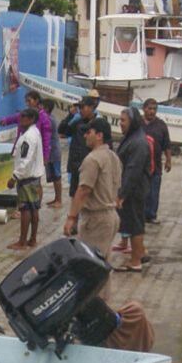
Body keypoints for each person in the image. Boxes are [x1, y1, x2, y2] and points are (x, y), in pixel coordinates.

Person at [64, 117, 122, 279]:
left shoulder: (93, 159)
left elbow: (83, 190)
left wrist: (71, 218)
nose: (85, 136)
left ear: (99, 135)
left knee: (91, 267)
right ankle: (102, 300)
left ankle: (94, 302)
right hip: (111, 215)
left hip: (97, 218)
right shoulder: (113, 156)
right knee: (102, 263)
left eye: (89, 132)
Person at [0, 94, 61, 209]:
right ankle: (26, 206)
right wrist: (5, 121)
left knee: (35, 181)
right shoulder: (26, 115)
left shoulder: (42, 118)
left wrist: (45, 156)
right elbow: (15, 118)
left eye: (29, 100)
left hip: (35, 154)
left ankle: (36, 205)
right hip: (25, 151)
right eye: (26, 101)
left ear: (37, 100)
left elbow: (46, 139)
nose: (27, 103)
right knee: (23, 182)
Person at [113, 107, 152, 271]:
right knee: (133, 222)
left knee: (135, 224)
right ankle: (140, 253)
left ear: (132, 122)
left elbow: (133, 170)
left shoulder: (138, 142)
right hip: (132, 189)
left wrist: (122, 194)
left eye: (123, 121)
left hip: (134, 190)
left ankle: (135, 261)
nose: (120, 124)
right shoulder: (131, 138)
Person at [9, 107, 45, 250]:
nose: (20, 120)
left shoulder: (28, 137)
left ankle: (22, 242)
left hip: (27, 178)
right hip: (35, 177)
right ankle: (33, 239)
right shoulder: (34, 132)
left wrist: (14, 177)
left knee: (25, 209)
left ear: (31, 120)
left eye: (23, 117)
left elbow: (26, 159)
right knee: (34, 208)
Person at [57, 94, 101, 197]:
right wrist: (70, 115)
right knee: (74, 196)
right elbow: (62, 131)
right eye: (79, 107)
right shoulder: (77, 123)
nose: (80, 110)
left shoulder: (99, 124)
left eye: (83, 107)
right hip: (76, 166)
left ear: (91, 107)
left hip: (91, 168)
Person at [141, 98, 172, 223]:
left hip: (156, 166)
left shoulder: (161, 125)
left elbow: (167, 144)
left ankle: (151, 215)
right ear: (144, 109)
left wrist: (169, 160)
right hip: (140, 166)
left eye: (154, 109)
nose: (152, 111)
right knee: (141, 192)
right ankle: (140, 215)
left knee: (154, 192)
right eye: (149, 108)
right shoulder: (137, 123)